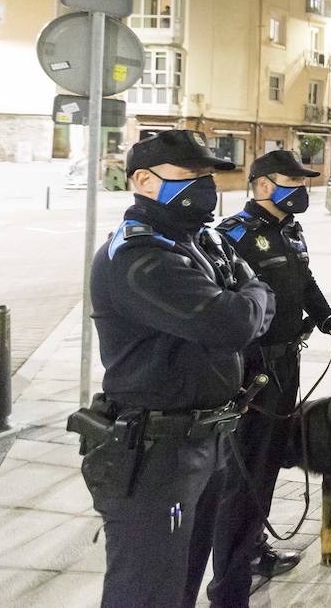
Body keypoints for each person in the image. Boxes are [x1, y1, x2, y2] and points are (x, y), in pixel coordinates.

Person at [77, 130, 275, 608]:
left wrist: (252, 297)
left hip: (207, 440)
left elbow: (253, 298)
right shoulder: (140, 256)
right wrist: (254, 297)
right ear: (144, 181)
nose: (205, 186)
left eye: (208, 175)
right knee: (147, 591)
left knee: (182, 582)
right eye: (190, 176)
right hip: (155, 453)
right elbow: (235, 321)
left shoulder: (198, 241)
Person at [206, 150, 331, 605]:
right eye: (292, 181)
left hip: (286, 363)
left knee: (269, 460)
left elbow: (304, 285)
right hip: (252, 369)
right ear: (263, 185)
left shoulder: (290, 230)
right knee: (244, 471)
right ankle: (228, 580)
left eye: (303, 181)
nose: (302, 189)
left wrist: (330, 322)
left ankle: (253, 548)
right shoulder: (230, 236)